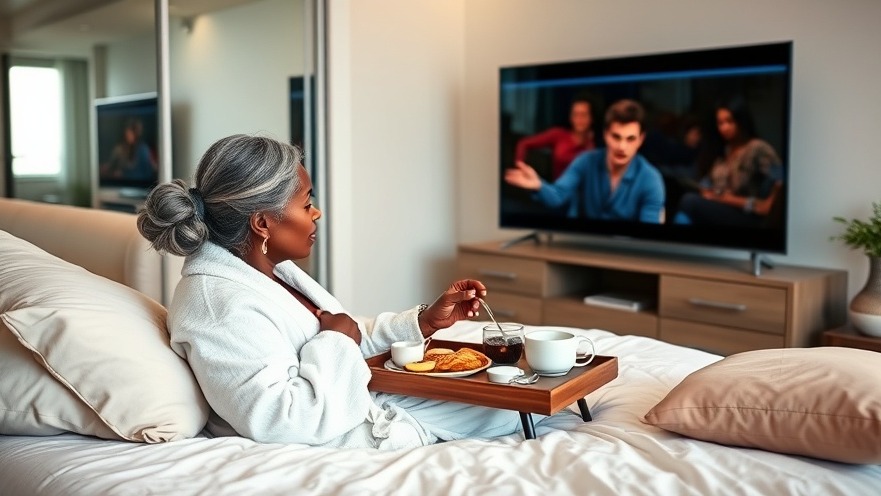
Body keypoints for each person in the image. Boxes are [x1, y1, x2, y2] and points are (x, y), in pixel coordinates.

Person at [137, 134, 520, 450]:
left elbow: (344, 336)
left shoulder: (271, 271)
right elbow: (282, 419)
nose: (317, 213)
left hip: (359, 403)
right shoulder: (216, 305)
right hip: (343, 435)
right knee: (513, 408)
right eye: (307, 204)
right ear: (263, 223)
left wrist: (422, 321)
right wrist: (336, 339)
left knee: (518, 394)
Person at [504, 99, 665, 223]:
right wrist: (538, 185)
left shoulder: (651, 179)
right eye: (616, 137)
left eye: (630, 139)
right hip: (586, 247)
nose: (622, 147)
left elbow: (648, 235)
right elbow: (558, 195)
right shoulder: (585, 161)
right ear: (605, 134)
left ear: (640, 140)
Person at [673, 97, 783, 227]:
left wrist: (767, 205)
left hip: (745, 212)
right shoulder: (722, 151)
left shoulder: (757, 148)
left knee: (689, 202)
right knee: (685, 196)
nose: (724, 128)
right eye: (720, 123)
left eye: (729, 121)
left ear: (740, 120)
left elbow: (780, 178)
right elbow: (709, 182)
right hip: (721, 206)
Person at [513, 96, 596, 180]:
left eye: (583, 115)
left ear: (591, 118)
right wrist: (521, 168)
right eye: (576, 114)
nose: (579, 119)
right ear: (571, 117)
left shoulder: (595, 144)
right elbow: (524, 143)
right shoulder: (559, 135)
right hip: (557, 190)